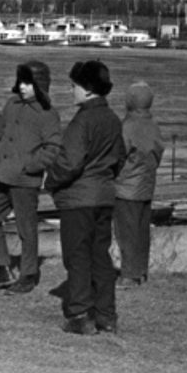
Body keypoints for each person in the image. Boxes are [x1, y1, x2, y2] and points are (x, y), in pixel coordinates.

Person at [44, 60, 125, 335]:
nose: (70, 90)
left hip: (78, 199)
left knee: (77, 256)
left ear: (88, 89)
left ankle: (80, 314)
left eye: (74, 85)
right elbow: (120, 158)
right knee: (100, 256)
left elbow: (69, 163)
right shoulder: (113, 119)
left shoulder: (82, 121)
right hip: (103, 196)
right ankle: (106, 314)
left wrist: (51, 181)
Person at [0, 60, 62, 294]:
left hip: (24, 182)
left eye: (28, 83)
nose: (22, 87)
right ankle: (0, 268)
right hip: (2, 177)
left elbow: (53, 148)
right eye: (20, 81)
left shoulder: (48, 114)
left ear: (39, 85)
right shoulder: (11, 104)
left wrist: (30, 166)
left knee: (26, 229)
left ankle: (29, 275)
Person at [114, 81, 165, 289]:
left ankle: (128, 274)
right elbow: (158, 154)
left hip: (126, 187)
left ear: (130, 101)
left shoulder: (127, 126)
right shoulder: (153, 126)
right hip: (146, 185)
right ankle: (141, 271)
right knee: (142, 232)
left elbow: (118, 155)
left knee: (126, 233)